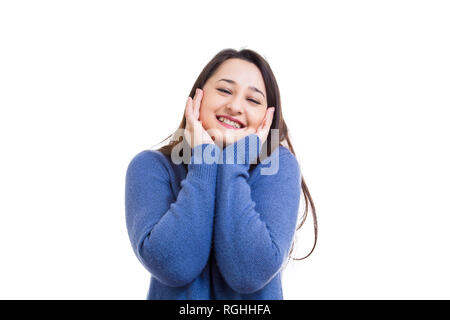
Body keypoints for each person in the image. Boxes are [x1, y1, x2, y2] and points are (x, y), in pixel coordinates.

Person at [125, 48, 317, 300]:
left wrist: (234, 159)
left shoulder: (278, 166)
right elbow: (174, 266)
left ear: (267, 119)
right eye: (225, 90)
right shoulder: (151, 167)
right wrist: (205, 158)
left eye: (253, 100)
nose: (235, 106)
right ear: (197, 98)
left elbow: (249, 273)